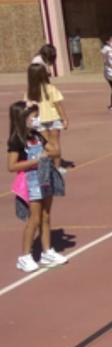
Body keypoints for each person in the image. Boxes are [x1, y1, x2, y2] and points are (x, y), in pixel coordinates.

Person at [8, 100, 66, 273]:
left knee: (46, 215)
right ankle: (24, 256)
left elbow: (55, 151)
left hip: (45, 179)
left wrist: (46, 153)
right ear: (23, 118)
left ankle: (47, 251)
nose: (37, 119)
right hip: (31, 181)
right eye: (34, 116)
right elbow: (11, 166)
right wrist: (35, 161)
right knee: (34, 219)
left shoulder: (37, 136)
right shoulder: (16, 140)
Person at [25, 63, 67, 169]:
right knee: (55, 143)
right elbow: (58, 105)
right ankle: (57, 167)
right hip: (53, 118)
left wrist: (28, 120)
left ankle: (49, 166)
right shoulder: (51, 88)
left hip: (39, 120)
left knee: (45, 144)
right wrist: (64, 119)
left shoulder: (30, 92)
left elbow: (28, 107)